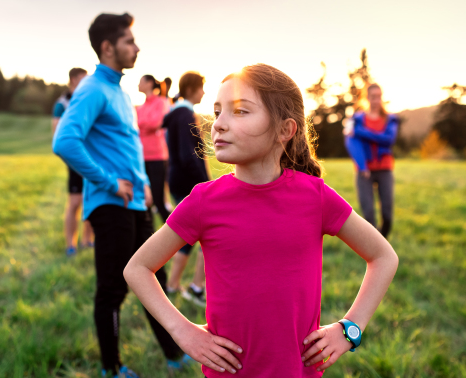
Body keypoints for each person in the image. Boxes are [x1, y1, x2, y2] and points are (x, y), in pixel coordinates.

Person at [124, 64, 398, 377]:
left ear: (285, 130)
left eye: (240, 111)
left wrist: (351, 328)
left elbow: (383, 256)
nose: (218, 124)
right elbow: (137, 268)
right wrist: (182, 331)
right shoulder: (203, 201)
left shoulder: (315, 197)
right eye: (217, 111)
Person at [52, 13, 189, 378]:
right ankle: (111, 368)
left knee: (153, 282)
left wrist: (143, 183)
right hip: (110, 204)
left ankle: (174, 354)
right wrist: (110, 182)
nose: (137, 46)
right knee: (113, 289)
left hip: (135, 202)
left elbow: (126, 147)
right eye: (129, 40)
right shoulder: (93, 89)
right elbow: (64, 141)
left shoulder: (119, 90)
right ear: (108, 47)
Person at [163, 72, 210, 306]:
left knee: (189, 237)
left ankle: (173, 286)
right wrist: (204, 182)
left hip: (179, 179)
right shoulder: (184, 115)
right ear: (191, 88)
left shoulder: (179, 113)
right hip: (186, 181)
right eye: (202, 87)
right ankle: (195, 288)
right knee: (207, 236)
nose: (204, 92)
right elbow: (187, 154)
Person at [344, 83, 399, 238]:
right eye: (373, 97)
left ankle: (383, 241)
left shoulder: (390, 119)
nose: (376, 100)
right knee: (368, 213)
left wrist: (360, 132)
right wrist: (362, 166)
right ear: (367, 98)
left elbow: (388, 140)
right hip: (364, 170)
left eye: (379, 96)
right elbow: (350, 141)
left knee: (387, 213)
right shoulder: (357, 119)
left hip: (384, 169)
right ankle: (376, 247)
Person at [52, 68, 94, 257]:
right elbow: (57, 136)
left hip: (92, 159)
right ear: (74, 80)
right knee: (75, 202)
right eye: (83, 79)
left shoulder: (89, 100)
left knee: (91, 201)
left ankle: (88, 240)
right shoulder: (62, 104)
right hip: (76, 161)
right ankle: (71, 244)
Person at [136, 75, 171, 222]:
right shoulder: (140, 106)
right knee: (145, 200)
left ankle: (177, 235)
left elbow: (156, 123)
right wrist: (145, 125)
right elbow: (135, 126)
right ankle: (148, 235)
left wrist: (142, 125)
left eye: (140, 81)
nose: (138, 84)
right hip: (141, 157)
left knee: (158, 199)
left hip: (157, 156)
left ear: (149, 83)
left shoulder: (161, 102)